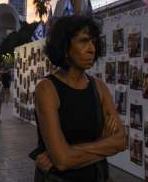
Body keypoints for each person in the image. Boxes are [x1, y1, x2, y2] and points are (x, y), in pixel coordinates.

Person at [34, 16, 126, 182]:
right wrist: (104, 143)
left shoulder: (99, 87)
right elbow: (62, 161)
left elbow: (121, 140)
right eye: (83, 41)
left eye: (93, 42)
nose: (92, 48)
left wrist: (70, 152)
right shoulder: (47, 89)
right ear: (65, 47)